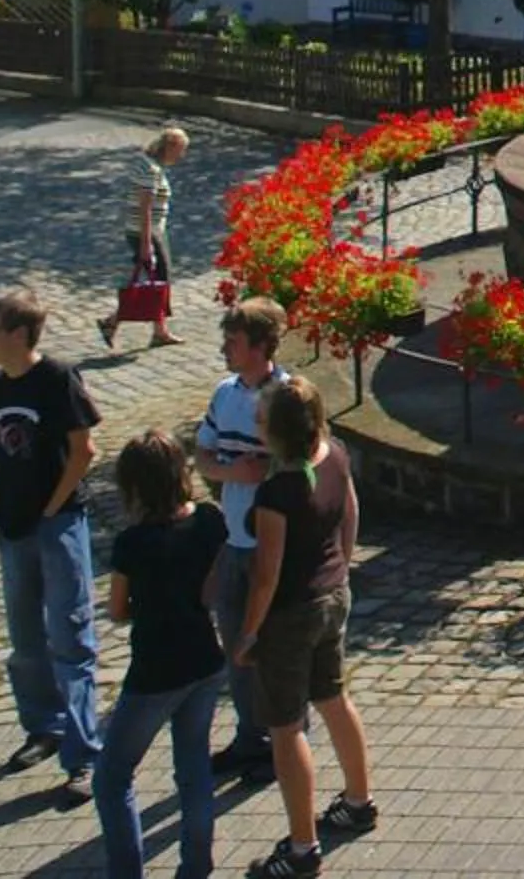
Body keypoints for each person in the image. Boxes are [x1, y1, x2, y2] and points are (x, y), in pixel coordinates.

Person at [233, 376, 378, 879]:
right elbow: (351, 513)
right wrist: (343, 565)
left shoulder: (277, 493)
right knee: (334, 697)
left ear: (278, 429)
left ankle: (301, 848)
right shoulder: (334, 453)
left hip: (290, 615)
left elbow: (267, 575)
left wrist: (248, 635)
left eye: (262, 414)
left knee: (285, 725)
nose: (256, 419)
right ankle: (359, 801)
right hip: (333, 596)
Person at [0, 288, 104, 799]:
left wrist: (53, 508)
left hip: (59, 525)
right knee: (27, 642)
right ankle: (43, 728)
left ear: (19, 335)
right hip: (14, 527)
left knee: (71, 640)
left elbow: (84, 450)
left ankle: (83, 756)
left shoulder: (58, 379)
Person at [90, 430, 228, 879]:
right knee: (193, 769)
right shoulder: (209, 521)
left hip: (154, 671)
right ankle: (196, 868)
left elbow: (116, 609)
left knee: (112, 776)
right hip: (205, 660)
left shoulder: (133, 543)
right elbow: (212, 588)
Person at [195, 297, 292, 780]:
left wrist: (264, 473)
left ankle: (284, 742)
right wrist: (232, 470)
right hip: (235, 541)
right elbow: (202, 457)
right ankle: (248, 738)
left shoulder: (287, 397)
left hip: (273, 547)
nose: (224, 350)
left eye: (233, 342)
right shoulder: (225, 394)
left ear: (259, 346)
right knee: (236, 644)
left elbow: (302, 466)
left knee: (271, 648)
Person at [100, 127, 188, 351]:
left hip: (150, 230)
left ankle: (159, 331)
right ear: (168, 146)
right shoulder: (149, 169)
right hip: (146, 232)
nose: (181, 156)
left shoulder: (148, 164)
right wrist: (146, 243)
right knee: (152, 281)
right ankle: (112, 321)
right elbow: (145, 208)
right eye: (180, 150)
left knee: (156, 279)